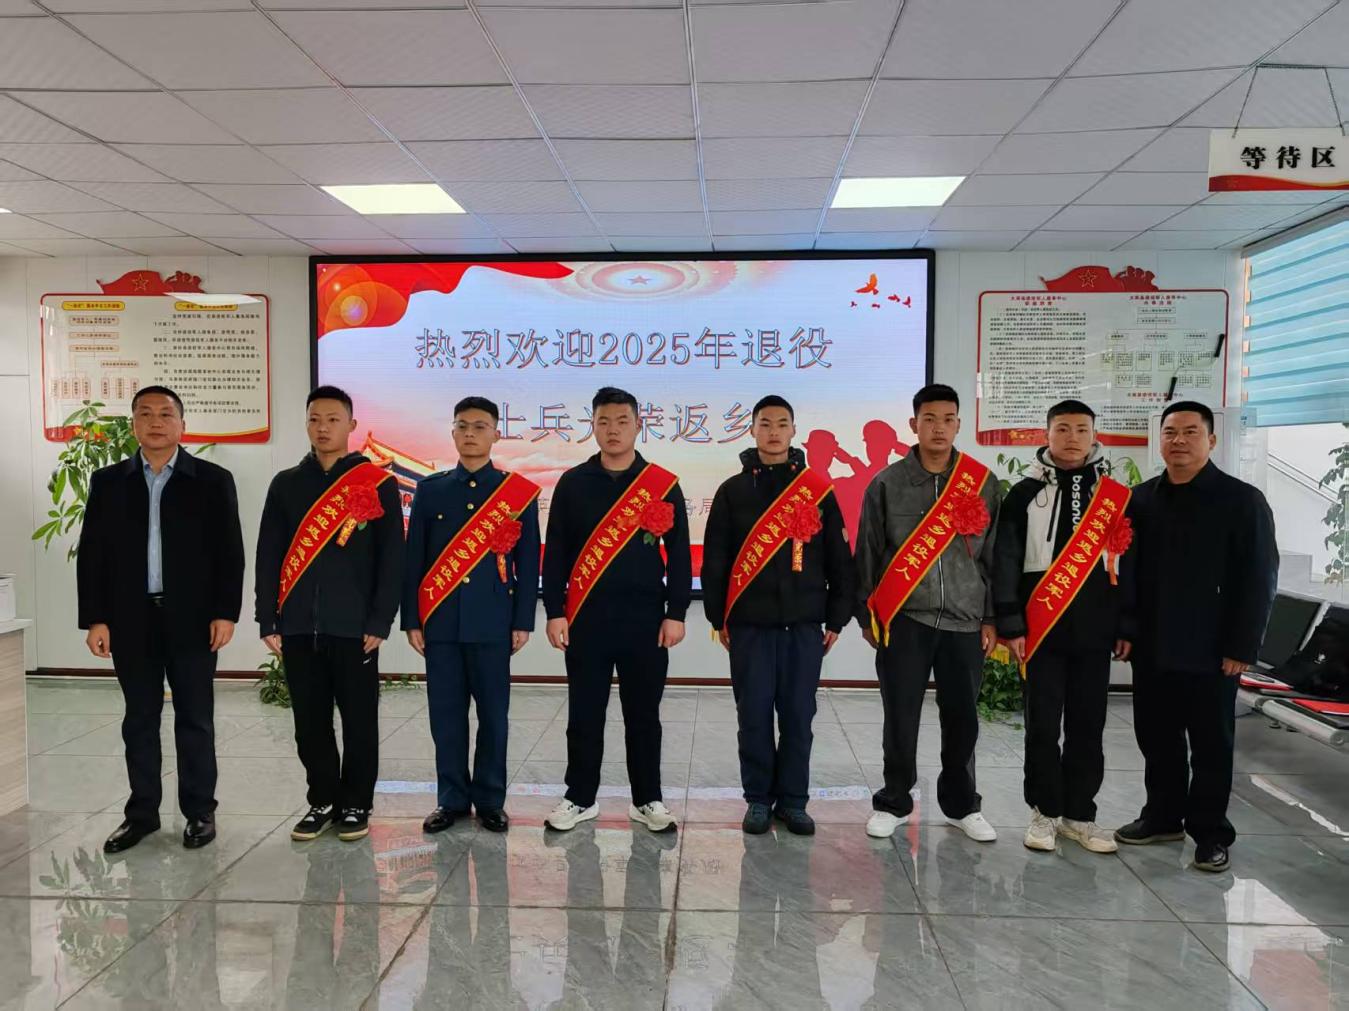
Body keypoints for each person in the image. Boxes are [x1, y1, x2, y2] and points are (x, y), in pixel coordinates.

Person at [77, 385, 244, 853]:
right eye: (145, 414)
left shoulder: (212, 480)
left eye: (165, 414)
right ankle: (142, 814)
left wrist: (225, 613)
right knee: (139, 720)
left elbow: (230, 552)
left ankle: (199, 811)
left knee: (195, 719)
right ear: (133, 424)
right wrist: (95, 619)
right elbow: (92, 555)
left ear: (182, 425)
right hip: (129, 620)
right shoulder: (109, 482)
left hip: (192, 620)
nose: (155, 422)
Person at [1115, 401, 1277, 872]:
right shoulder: (1140, 500)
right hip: (1153, 646)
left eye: (1190, 432)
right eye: (1171, 432)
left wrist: (1242, 646)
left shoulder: (1242, 501)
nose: (1179, 441)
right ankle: (1162, 817)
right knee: (1157, 738)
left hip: (1213, 650)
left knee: (1211, 745)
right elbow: (1127, 574)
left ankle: (1210, 833)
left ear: (1211, 440)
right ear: (1160, 440)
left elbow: (1259, 579)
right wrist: (1126, 630)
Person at [255, 385, 404, 844]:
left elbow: (391, 559)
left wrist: (380, 620)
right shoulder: (286, 484)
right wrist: (267, 618)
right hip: (299, 625)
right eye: (315, 419)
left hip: (355, 628)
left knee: (359, 721)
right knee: (309, 721)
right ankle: (321, 800)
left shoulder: (377, 483)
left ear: (351, 425)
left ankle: (356, 803)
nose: (323, 428)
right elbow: (268, 554)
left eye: (333, 419)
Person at [541, 386, 692, 833]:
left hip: (645, 620)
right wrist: (554, 610)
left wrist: (677, 612)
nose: (613, 430)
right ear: (592, 426)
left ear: (638, 425)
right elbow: (556, 552)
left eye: (622, 421)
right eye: (603, 422)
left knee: (643, 715)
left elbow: (679, 554)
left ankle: (647, 799)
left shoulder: (661, 485)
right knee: (584, 713)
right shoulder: (573, 483)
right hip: (585, 619)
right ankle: (579, 797)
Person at [854, 383, 1001, 842]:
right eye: (930, 419)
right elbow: (868, 554)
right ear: (913, 424)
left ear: (959, 424)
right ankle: (894, 801)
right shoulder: (887, 484)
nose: (939, 428)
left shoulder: (982, 483)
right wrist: (867, 616)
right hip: (906, 621)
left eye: (948, 420)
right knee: (900, 716)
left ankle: (962, 805)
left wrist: (991, 617)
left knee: (962, 719)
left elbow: (994, 556)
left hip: (965, 621)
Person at [701, 395, 853, 835]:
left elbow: (839, 559)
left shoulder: (816, 490)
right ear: (751, 430)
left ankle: (793, 801)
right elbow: (716, 559)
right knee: (752, 716)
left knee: (798, 717)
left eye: (781, 424)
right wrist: (717, 618)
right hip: (750, 626)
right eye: (764, 424)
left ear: (793, 431)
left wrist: (836, 618)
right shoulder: (732, 491)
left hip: (803, 626)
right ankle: (757, 799)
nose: (773, 432)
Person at [992, 400, 1128, 855]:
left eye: (1081, 429)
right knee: (1042, 726)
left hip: (1095, 632)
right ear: (1046, 434)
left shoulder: (1114, 496)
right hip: (1040, 632)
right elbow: (1006, 561)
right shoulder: (1023, 494)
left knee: (1089, 725)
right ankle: (1044, 812)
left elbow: (1130, 568)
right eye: (1063, 429)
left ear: (1094, 435)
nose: (1072, 438)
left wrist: (1124, 625)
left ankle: (1079, 816)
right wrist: (1011, 623)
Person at [402, 396, 541, 835]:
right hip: (441, 624)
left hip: (492, 622)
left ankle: (491, 801)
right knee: (446, 717)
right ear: (453, 432)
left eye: (480, 426)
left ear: (496, 434)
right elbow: (415, 558)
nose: (469, 434)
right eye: (462, 426)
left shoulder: (515, 493)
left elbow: (528, 563)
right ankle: (451, 800)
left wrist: (522, 620)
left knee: (494, 718)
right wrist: (412, 619)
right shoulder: (431, 490)